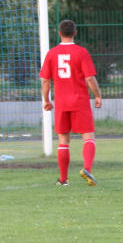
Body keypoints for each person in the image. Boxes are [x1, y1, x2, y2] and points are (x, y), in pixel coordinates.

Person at [40, 19, 102, 186]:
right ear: (75, 33)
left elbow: (45, 80)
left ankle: (63, 179)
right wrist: (97, 95)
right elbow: (90, 78)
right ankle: (87, 168)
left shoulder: (51, 53)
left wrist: (47, 100)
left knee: (63, 141)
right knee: (88, 137)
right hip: (80, 101)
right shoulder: (81, 52)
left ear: (59, 34)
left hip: (61, 103)